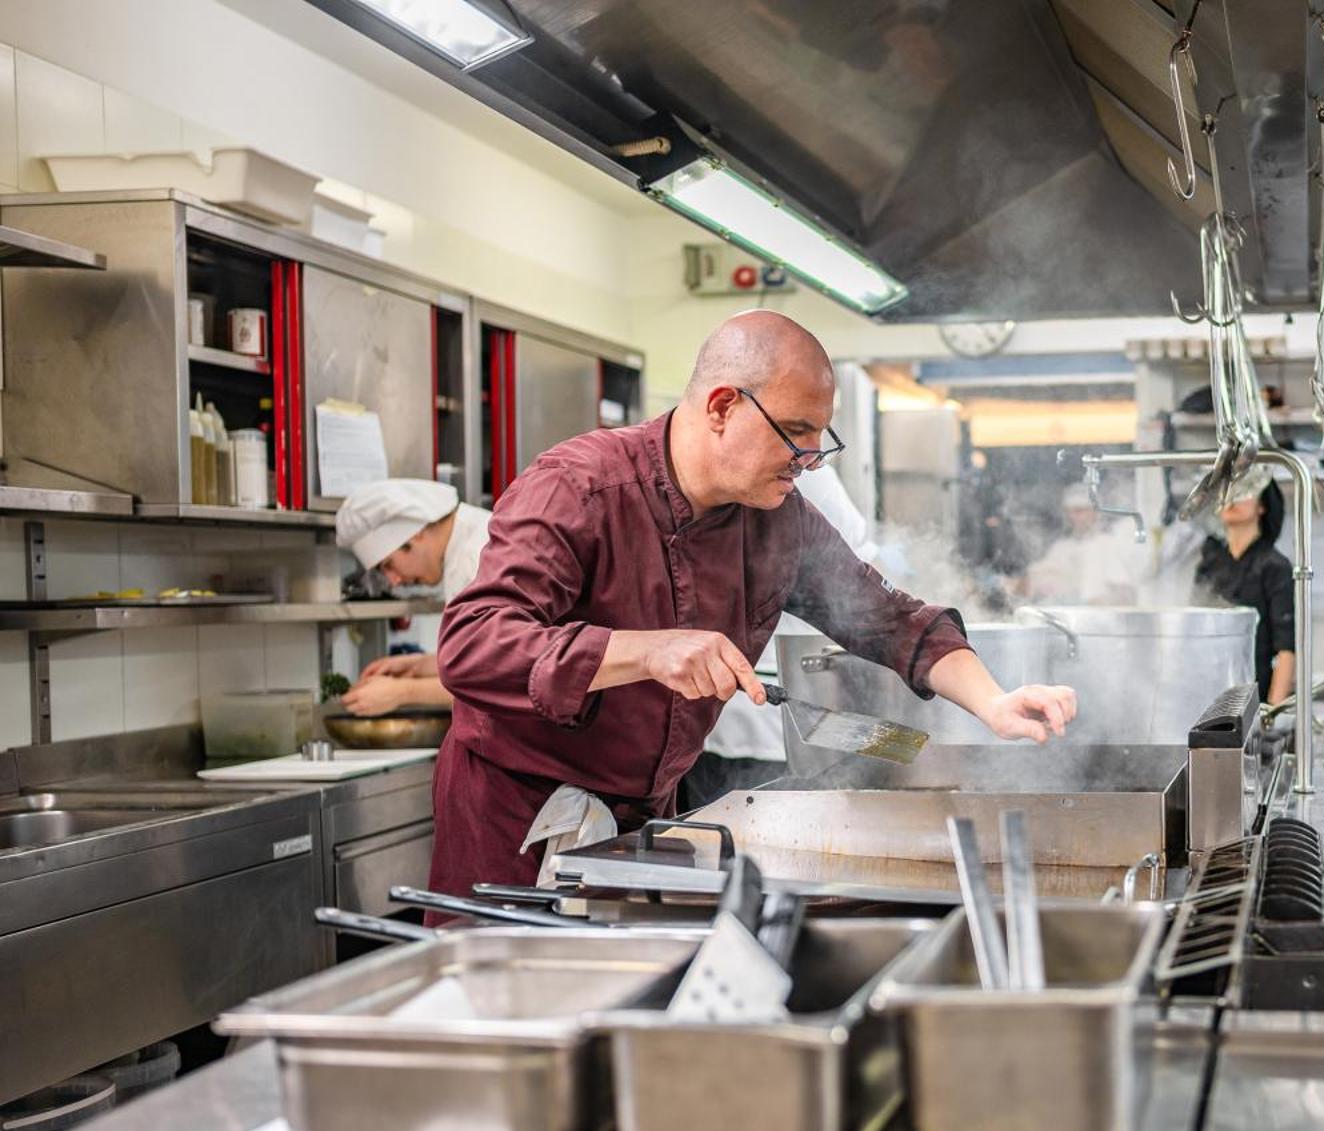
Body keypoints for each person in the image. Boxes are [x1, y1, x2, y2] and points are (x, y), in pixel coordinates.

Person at [430, 310, 1077, 898]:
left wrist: (994, 701)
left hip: (644, 819)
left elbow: (891, 618)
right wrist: (649, 649)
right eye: (795, 434)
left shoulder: (778, 520)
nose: (810, 461)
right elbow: (472, 644)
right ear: (721, 407)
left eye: (820, 438)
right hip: (516, 822)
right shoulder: (580, 487)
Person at [680, 461, 876, 810]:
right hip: (760, 718)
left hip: (734, 719)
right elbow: (859, 578)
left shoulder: (728, 474)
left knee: (721, 843)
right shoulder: (794, 473)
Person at [332, 479, 492, 715]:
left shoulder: (476, 556)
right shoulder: (469, 540)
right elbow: (481, 660)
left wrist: (402, 692)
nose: (394, 580)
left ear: (415, 534)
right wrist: (417, 666)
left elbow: (495, 682)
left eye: (389, 565)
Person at [1193, 468, 1296, 705]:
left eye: (1243, 493)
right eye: (1228, 493)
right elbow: (1194, 632)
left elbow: (1286, 650)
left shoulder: (1275, 566)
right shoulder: (1209, 564)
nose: (1232, 499)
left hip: (1255, 696)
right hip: (1209, 693)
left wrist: (1270, 714)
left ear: (1262, 506)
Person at [1019, 484, 1150, 604]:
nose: (1073, 517)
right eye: (1069, 511)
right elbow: (1034, 581)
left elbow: (1123, 593)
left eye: (1079, 511)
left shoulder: (1108, 543)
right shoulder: (1062, 547)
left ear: (1095, 512)